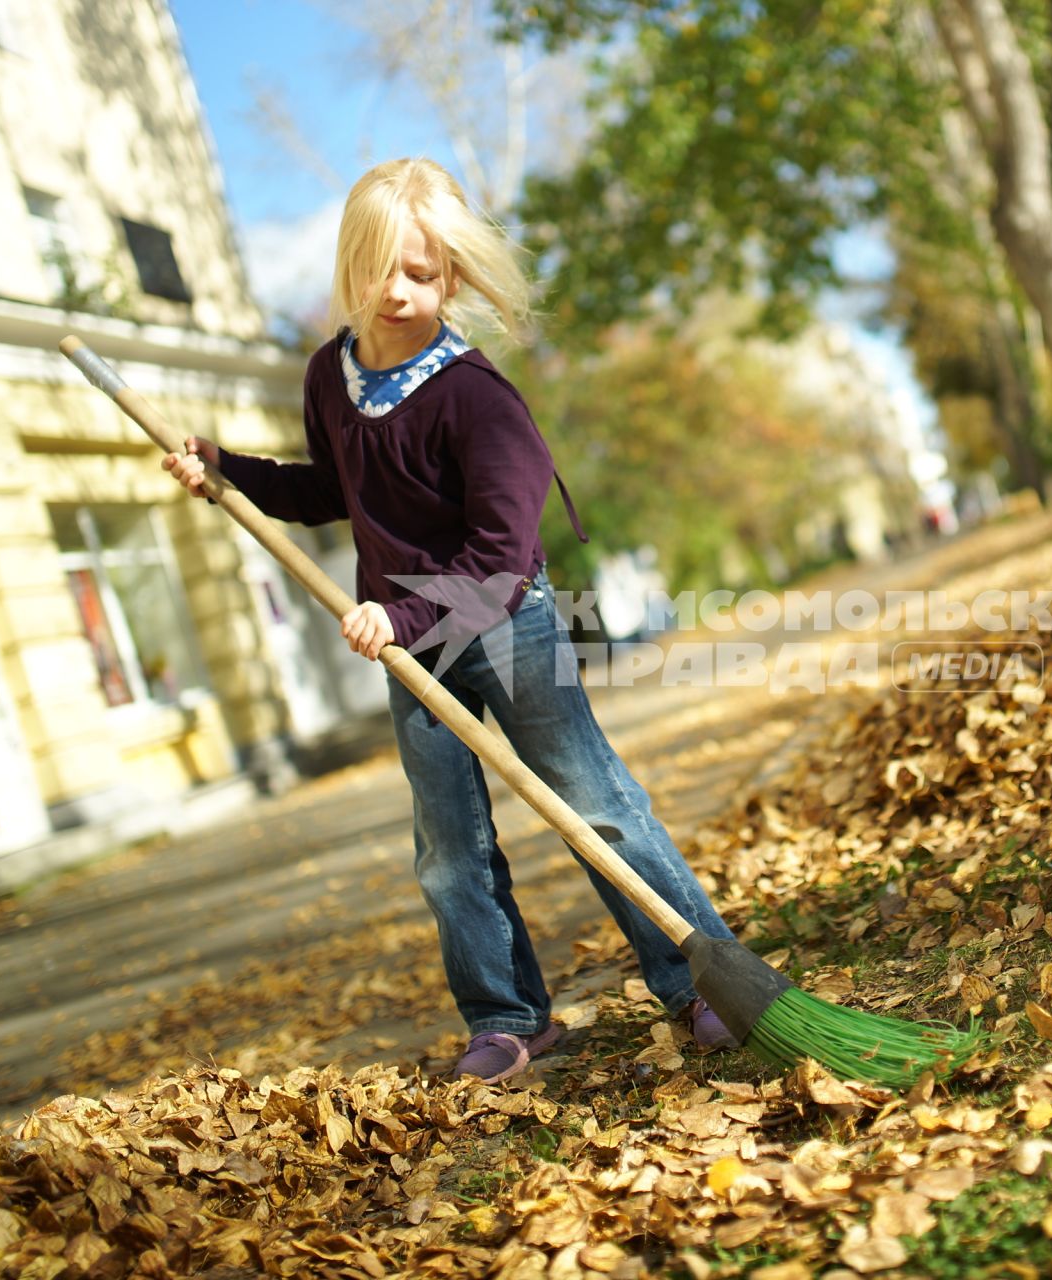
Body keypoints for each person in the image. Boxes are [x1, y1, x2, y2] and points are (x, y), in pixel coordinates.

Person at [161, 158, 738, 1083]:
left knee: (595, 808)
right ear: (348, 266)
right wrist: (229, 471)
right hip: (409, 642)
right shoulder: (329, 376)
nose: (395, 292)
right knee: (447, 848)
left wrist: (400, 613)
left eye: (421, 273)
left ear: (454, 279)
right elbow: (329, 489)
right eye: (377, 268)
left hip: (506, 622)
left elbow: (503, 561)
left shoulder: (476, 396)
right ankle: (509, 1018)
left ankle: (704, 981)